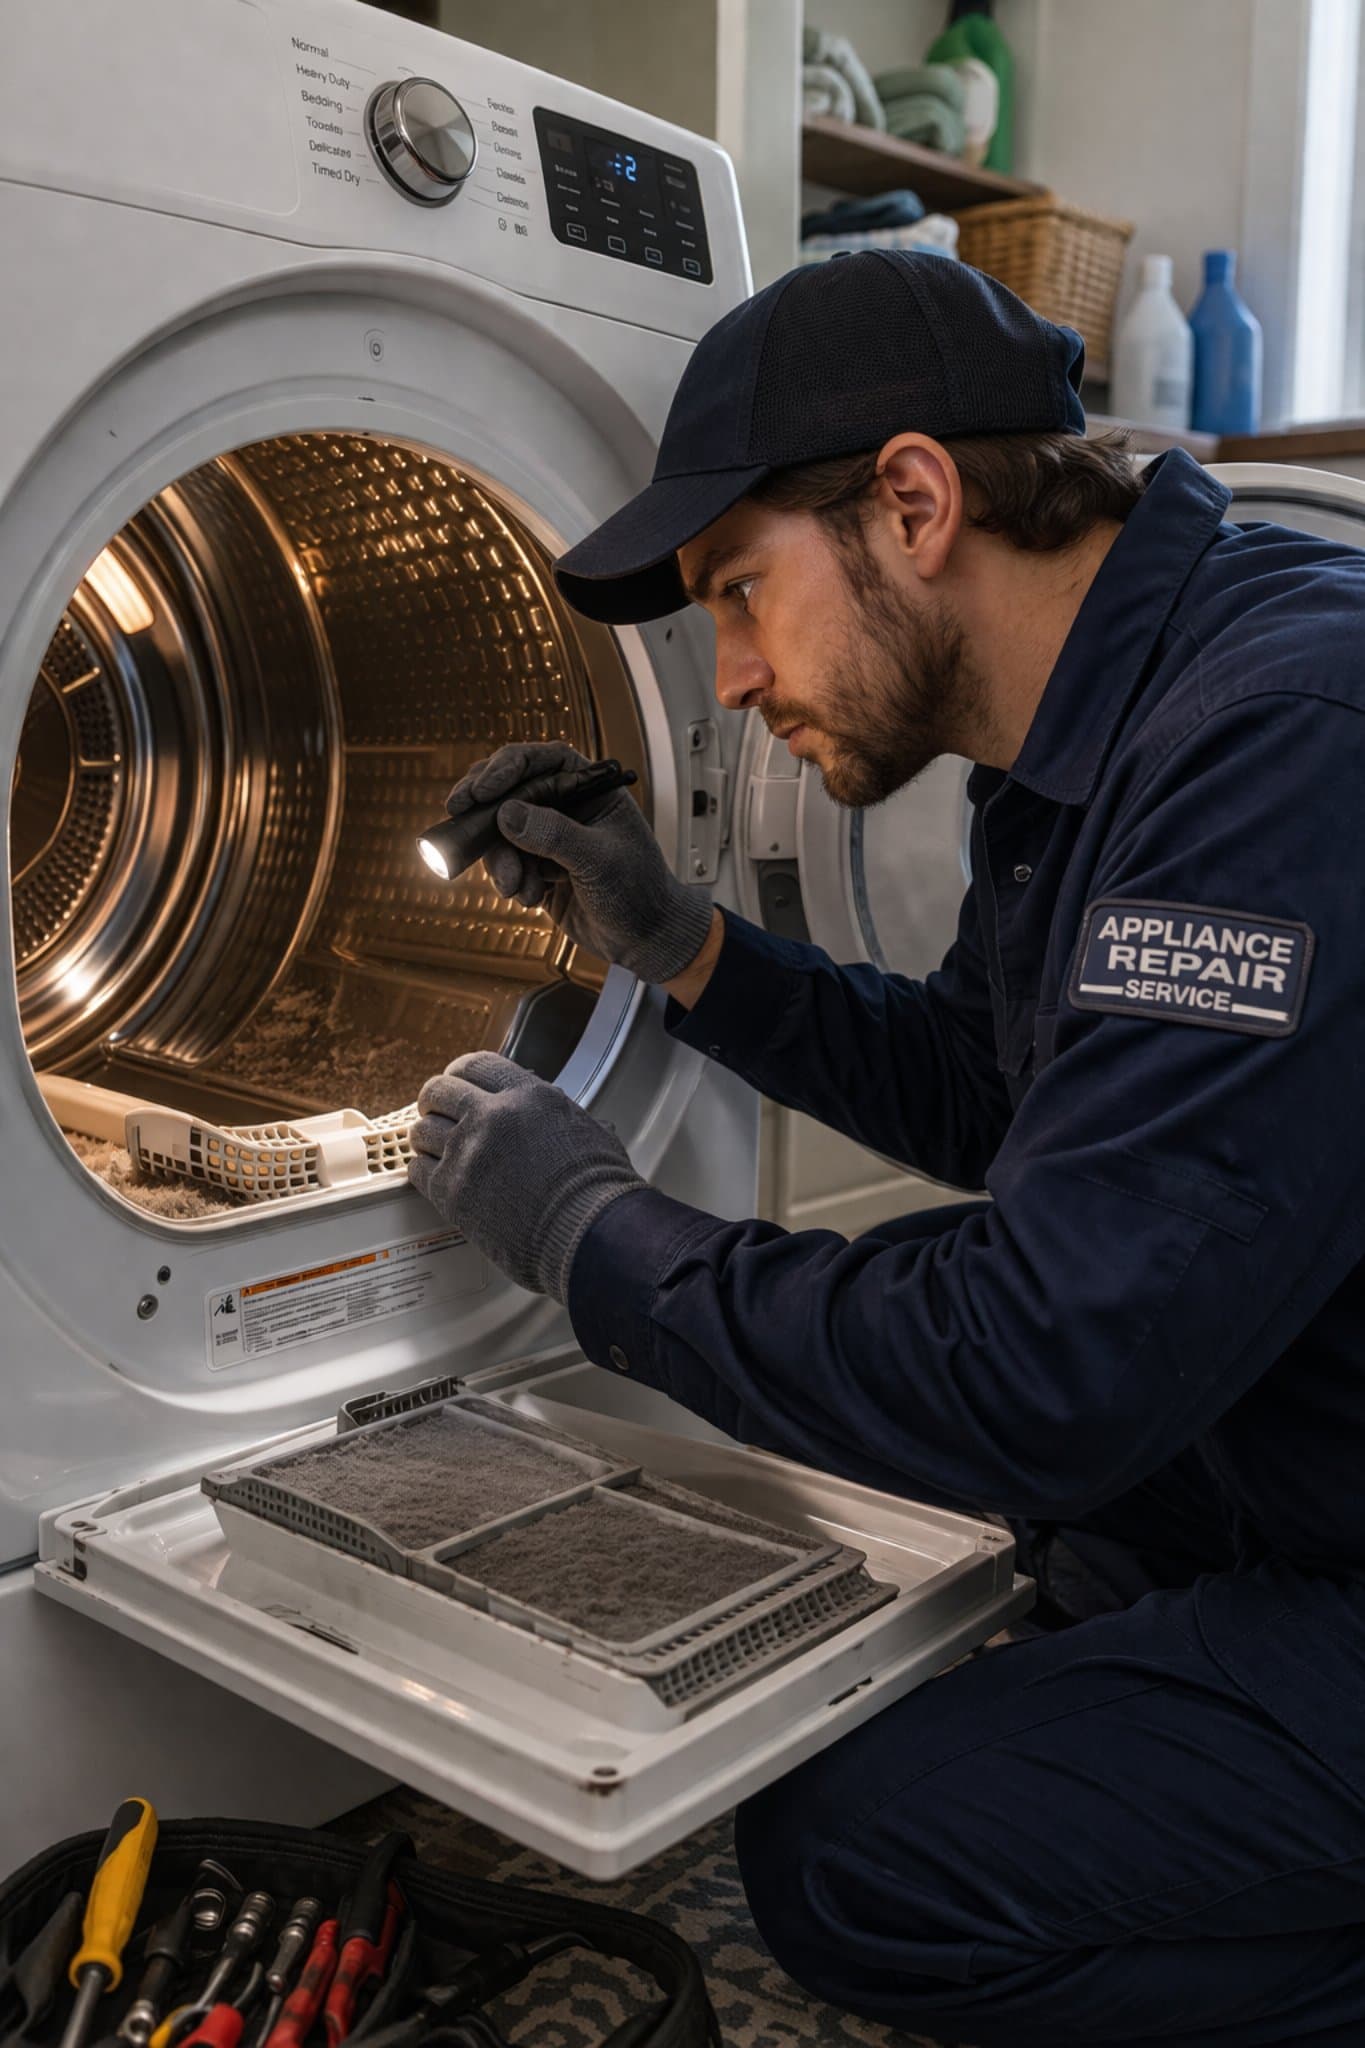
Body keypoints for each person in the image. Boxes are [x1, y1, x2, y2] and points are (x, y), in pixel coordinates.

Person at [407, 253, 1365, 2047]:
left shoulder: (1277, 743)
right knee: (1049, 1534)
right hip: (1319, 1432)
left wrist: (594, 1236)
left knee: (857, 1856)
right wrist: (684, 942)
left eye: (741, 593)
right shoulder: (1098, 729)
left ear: (913, 502)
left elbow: (1043, 1362)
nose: (740, 675)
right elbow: (1001, 1096)